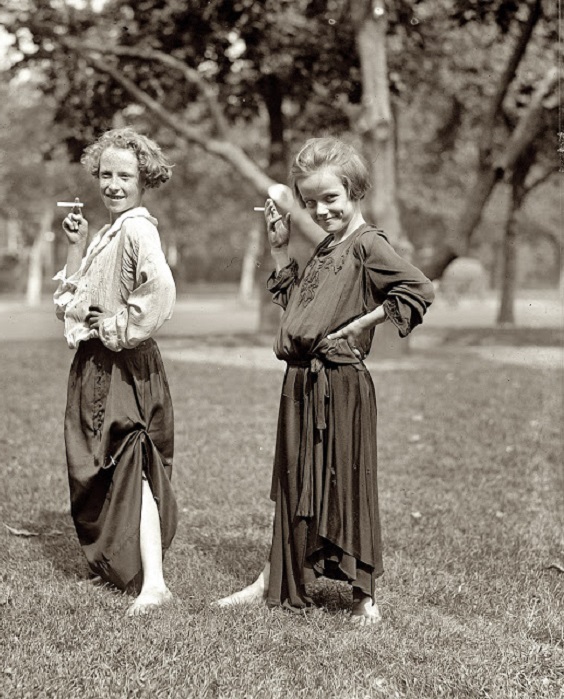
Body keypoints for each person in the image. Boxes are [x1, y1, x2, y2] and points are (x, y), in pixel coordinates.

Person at [216, 137, 434, 623]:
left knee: (347, 485)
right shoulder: (326, 247)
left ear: (354, 190)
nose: (320, 210)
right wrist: (279, 251)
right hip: (300, 382)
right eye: (310, 201)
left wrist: (364, 323)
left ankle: (365, 599)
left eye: (330, 198)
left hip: (341, 384)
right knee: (295, 481)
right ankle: (273, 579)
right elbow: (298, 309)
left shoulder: (368, 244)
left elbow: (418, 287)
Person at [53, 127, 177, 616]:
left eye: (125, 176)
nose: (113, 184)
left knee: (132, 460)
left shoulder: (137, 229)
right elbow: (68, 305)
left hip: (124, 362)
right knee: (100, 464)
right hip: (95, 364)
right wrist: (76, 246)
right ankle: (122, 564)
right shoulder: (109, 233)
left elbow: (159, 290)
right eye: (105, 174)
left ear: (143, 179)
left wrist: (116, 326)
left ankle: (155, 585)